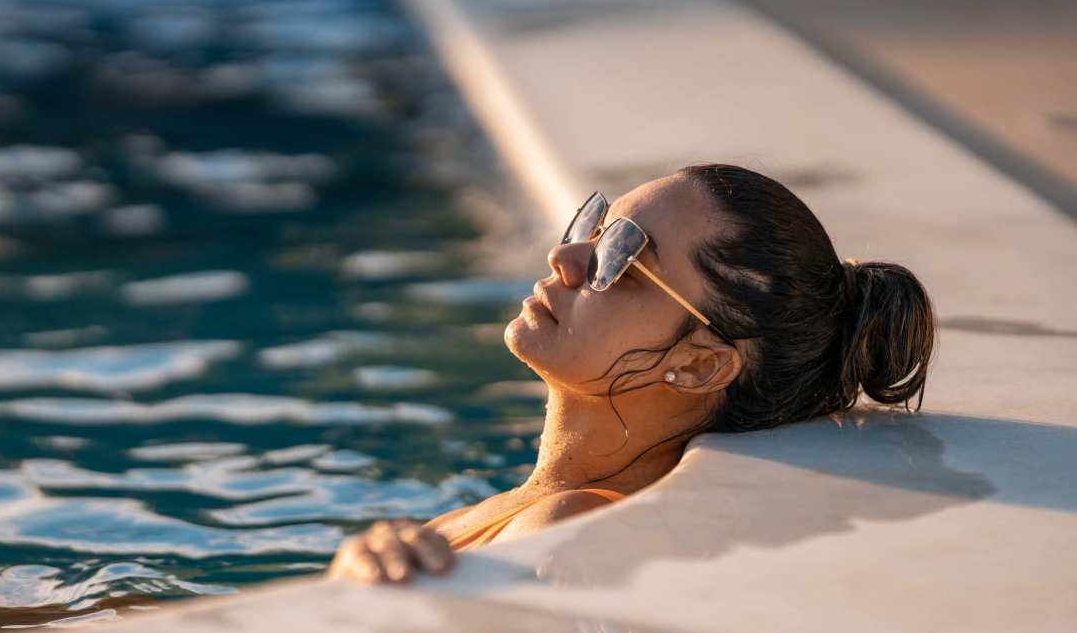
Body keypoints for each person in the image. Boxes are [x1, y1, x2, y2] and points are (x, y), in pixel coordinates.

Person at [326, 163, 935, 584]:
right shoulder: (531, 506)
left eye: (619, 259)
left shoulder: (565, 524)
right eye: (594, 227)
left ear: (698, 364)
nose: (564, 257)